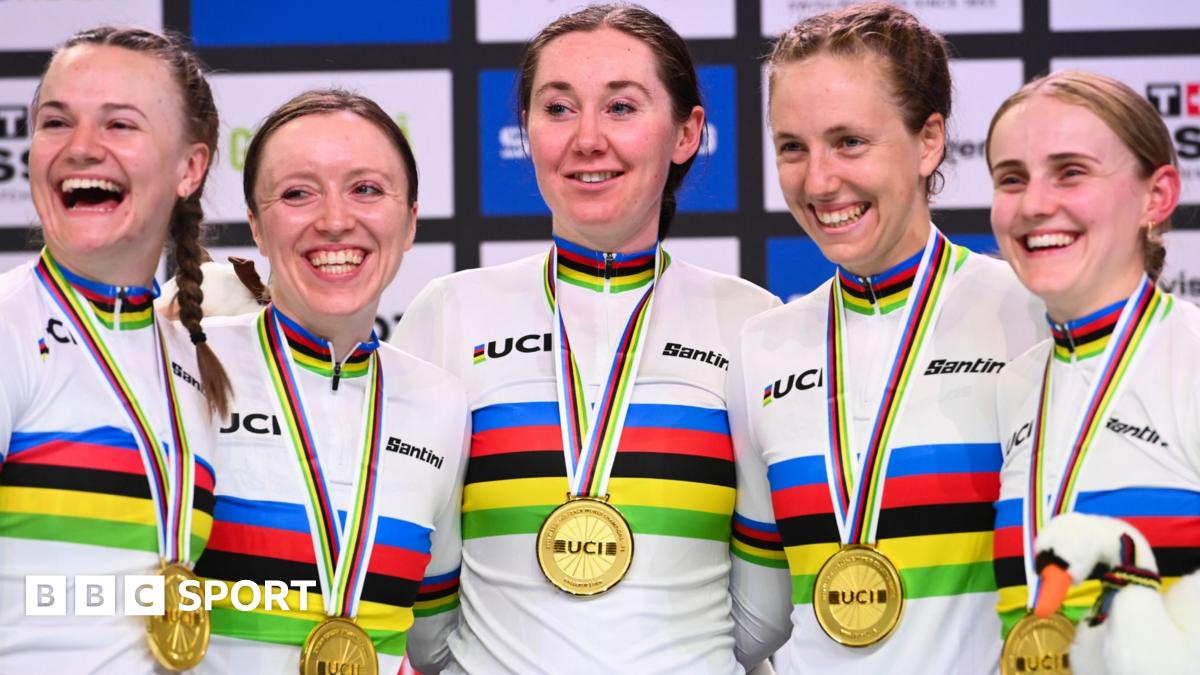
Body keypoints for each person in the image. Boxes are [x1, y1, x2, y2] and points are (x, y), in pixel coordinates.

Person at [391, 4, 779, 673]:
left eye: (622, 107)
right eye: (559, 107)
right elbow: (422, 601)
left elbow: (764, 610)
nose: (588, 138)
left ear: (686, 133)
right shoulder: (449, 311)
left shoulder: (752, 320)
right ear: (527, 131)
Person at [728, 4, 1044, 673]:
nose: (818, 180)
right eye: (793, 146)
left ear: (929, 141)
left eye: (849, 141)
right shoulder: (763, 348)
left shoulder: (1028, 314)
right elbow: (754, 615)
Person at [189, 89, 468, 675]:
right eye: (297, 193)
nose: (336, 220)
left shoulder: (441, 403)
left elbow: (434, 645)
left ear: (411, 219)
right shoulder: (185, 368)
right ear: (257, 228)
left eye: (366, 189)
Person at [0, 26, 229, 671]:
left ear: (190, 167)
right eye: (56, 122)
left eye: (119, 125)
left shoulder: (192, 351)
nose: (80, 149)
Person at [986, 70, 1200, 675]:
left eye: (1071, 171)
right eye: (1012, 178)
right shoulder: (1018, 384)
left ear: (1156, 196)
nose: (1034, 204)